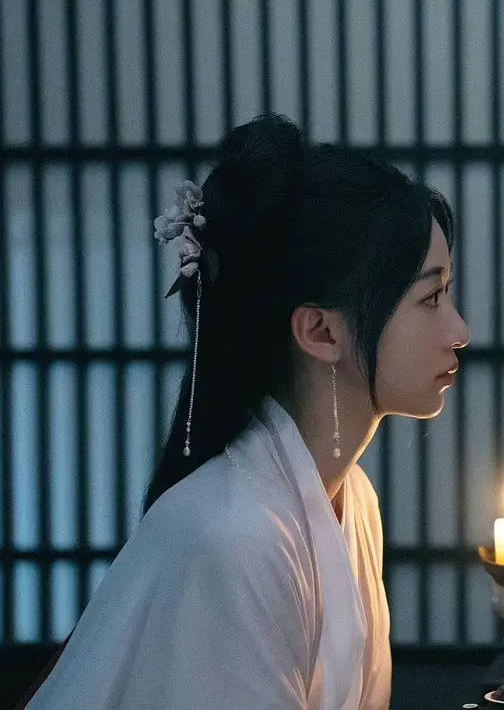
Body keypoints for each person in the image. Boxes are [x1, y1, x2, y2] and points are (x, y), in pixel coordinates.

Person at [24, 114, 469, 710]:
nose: (459, 331)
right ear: (320, 331)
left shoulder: (351, 499)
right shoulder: (232, 535)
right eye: (431, 297)